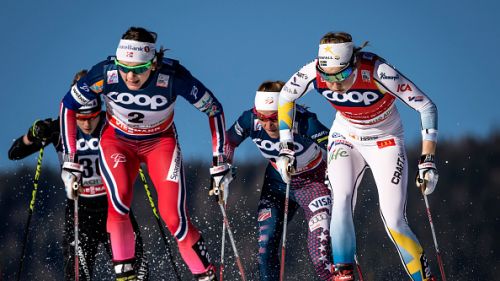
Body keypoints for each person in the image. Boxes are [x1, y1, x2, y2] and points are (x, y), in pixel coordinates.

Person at [59, 27, 231, 281]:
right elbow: (68, 106)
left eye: (139, 69)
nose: (130, 75)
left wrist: (220, 162)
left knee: (174, 218)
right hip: (118, 143)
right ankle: (126, 275)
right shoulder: (106, 74)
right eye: (124, 67)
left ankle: (206, 275)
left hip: (159, 144)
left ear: (153, 62)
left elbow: (213, 109)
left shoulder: (173, 77)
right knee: (118, 203)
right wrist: (70, 160)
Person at [276, 32, 439, 281]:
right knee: (340, 201)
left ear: (353, 63)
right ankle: (343, 273)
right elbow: (286, 96)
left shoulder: (378, 72)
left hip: (385, 140)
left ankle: (424, 278)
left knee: (394, 221)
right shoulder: (311, 72)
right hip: (346, 136)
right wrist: (286, 145)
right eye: (327, 76)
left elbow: (426, 106)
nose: (333, 84)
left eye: (340, 75)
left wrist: (428, 159)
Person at [8, 70, 149, 280]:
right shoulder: (60, 128)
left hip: (115, 206)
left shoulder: (111, 123)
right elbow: (15, 153)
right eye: (80, 118)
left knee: (136, 274)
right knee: (76, 276)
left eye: (91, 117)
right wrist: (34, 133)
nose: (86, 124)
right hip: (79, 213)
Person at [225, 81, 334, 280]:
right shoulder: (248, 120)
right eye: (262, 117)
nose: (268, 125)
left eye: (274, 118)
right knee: (265, 247)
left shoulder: (304, 122)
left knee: (319, 254)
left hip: (313, 184)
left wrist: (337, 173)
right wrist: (222, 166)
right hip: (276, 183)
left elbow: (336, 147)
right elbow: (228, 142)